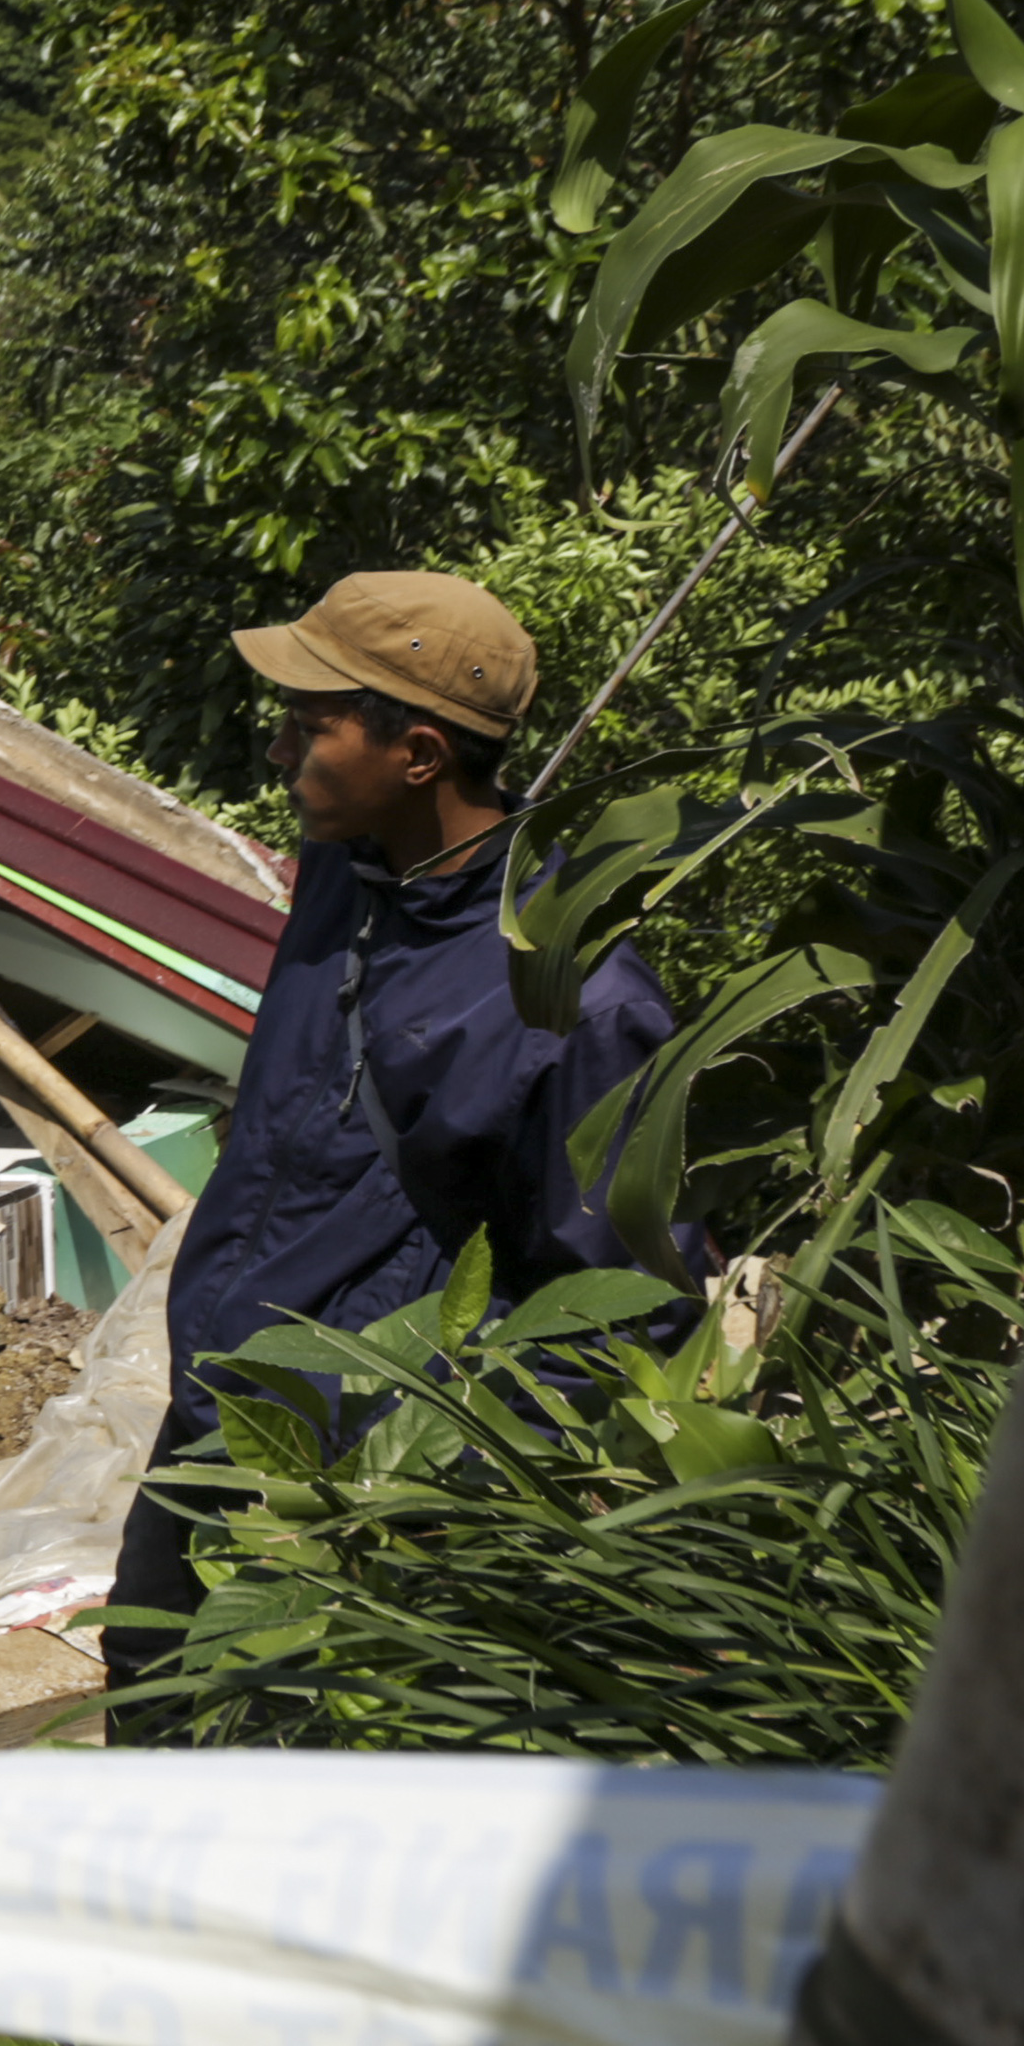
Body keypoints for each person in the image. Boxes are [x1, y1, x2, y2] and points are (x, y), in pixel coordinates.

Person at [112, 571, 691, 1694]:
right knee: (146, 1677)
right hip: (220, 1407)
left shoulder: (576, 1003)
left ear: (417, 754)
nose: (279, 755)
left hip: (360, 1481)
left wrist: (415, 1474)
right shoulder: (347, 869)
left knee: (280, 1754)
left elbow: (623, 1307)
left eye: (306, 726)